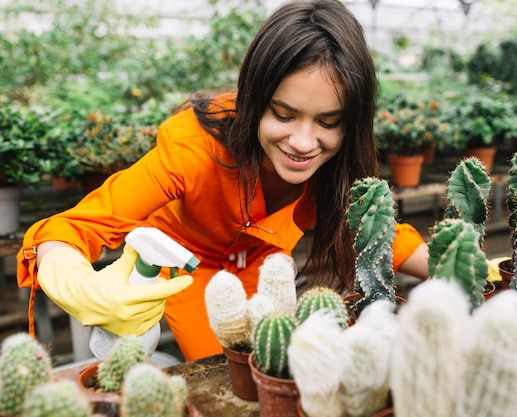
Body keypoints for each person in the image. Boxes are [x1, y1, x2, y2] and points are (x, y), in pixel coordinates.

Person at [16, 0, 429, 361]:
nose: (303, 143)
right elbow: (69, 228)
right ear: (252, 100)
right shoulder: (192, 149)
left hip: (261, 268)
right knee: (224, 372)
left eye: (329, 121)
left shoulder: (337, 167)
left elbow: (375, 232)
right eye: (283, 115)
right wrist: (78, 283)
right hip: (182, 270)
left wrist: (461, 268)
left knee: (273, 365)